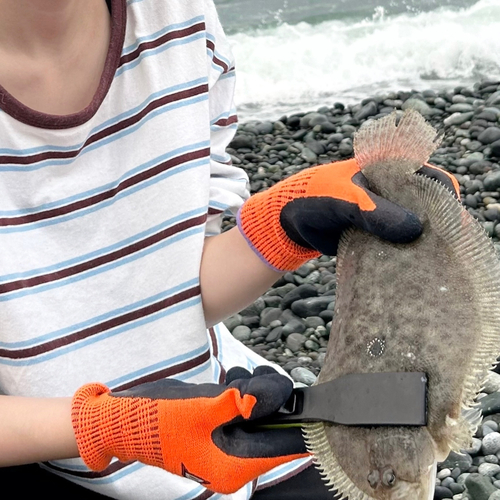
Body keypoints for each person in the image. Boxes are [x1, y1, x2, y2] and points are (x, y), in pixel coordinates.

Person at [0, 1, 460, 499]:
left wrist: (282, 225)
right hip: (40, 453)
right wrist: (112, 427)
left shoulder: (179, 18)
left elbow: (168, 294)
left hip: (213, 422)